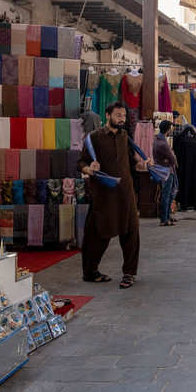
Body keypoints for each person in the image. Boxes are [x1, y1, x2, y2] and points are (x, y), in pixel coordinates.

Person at [78, 101, 151, 289]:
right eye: (118, 115)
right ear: (108, 115)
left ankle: (129, 273)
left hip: (125, 193)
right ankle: (90, 272)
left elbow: (130, 162)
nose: (122, 119)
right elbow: (80, 163)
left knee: (131, 232)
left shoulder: (125, 136)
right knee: (97, 233)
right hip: (103, 194)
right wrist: (89, 169)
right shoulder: (94, 137)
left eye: (124, 116)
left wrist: (140, 166)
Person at [153, 120, 178, 226]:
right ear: (168, 129)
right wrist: (172, 158)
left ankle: (167, 217)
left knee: (167, 194)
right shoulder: (162, 143)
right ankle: (164, 219)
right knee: (167, 195)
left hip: (163, 170)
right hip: (167, 171)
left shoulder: (157, 140)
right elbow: (172, 159)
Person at [173, 124, 196, 212]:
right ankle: (194, 204)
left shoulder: (180, 140)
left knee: (183, 184)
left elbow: (175, 149)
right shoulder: (195, 139)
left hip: (183, 167)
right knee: (193, 184)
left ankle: (184, 204)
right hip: (193, 168)